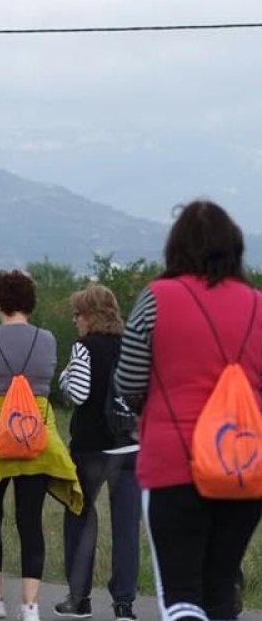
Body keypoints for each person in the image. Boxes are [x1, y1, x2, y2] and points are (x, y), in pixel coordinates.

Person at [115, 200, 262, 621]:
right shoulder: (258, 304)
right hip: (244, 465)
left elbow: (128, 381)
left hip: (173, 465)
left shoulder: (157, 299)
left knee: (180, 594)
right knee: (220, 589)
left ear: (175, 247)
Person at [0, 271, 82, 621]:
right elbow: (48, 383)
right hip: (37, 438)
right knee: (31, 522)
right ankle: (30, 606)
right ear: (30, 302)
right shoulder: (47, 338)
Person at [55, 285, 140, 621]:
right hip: (130, 446)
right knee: (126, 527)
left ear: (90, 317)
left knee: (80, 517)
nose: (76, 321)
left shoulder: (84, 347)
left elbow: (77, 393)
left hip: (90, 448)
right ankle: (124, 605)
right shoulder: (133, 346)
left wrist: (63, 377)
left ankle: (79, 598)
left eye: (78, 314)